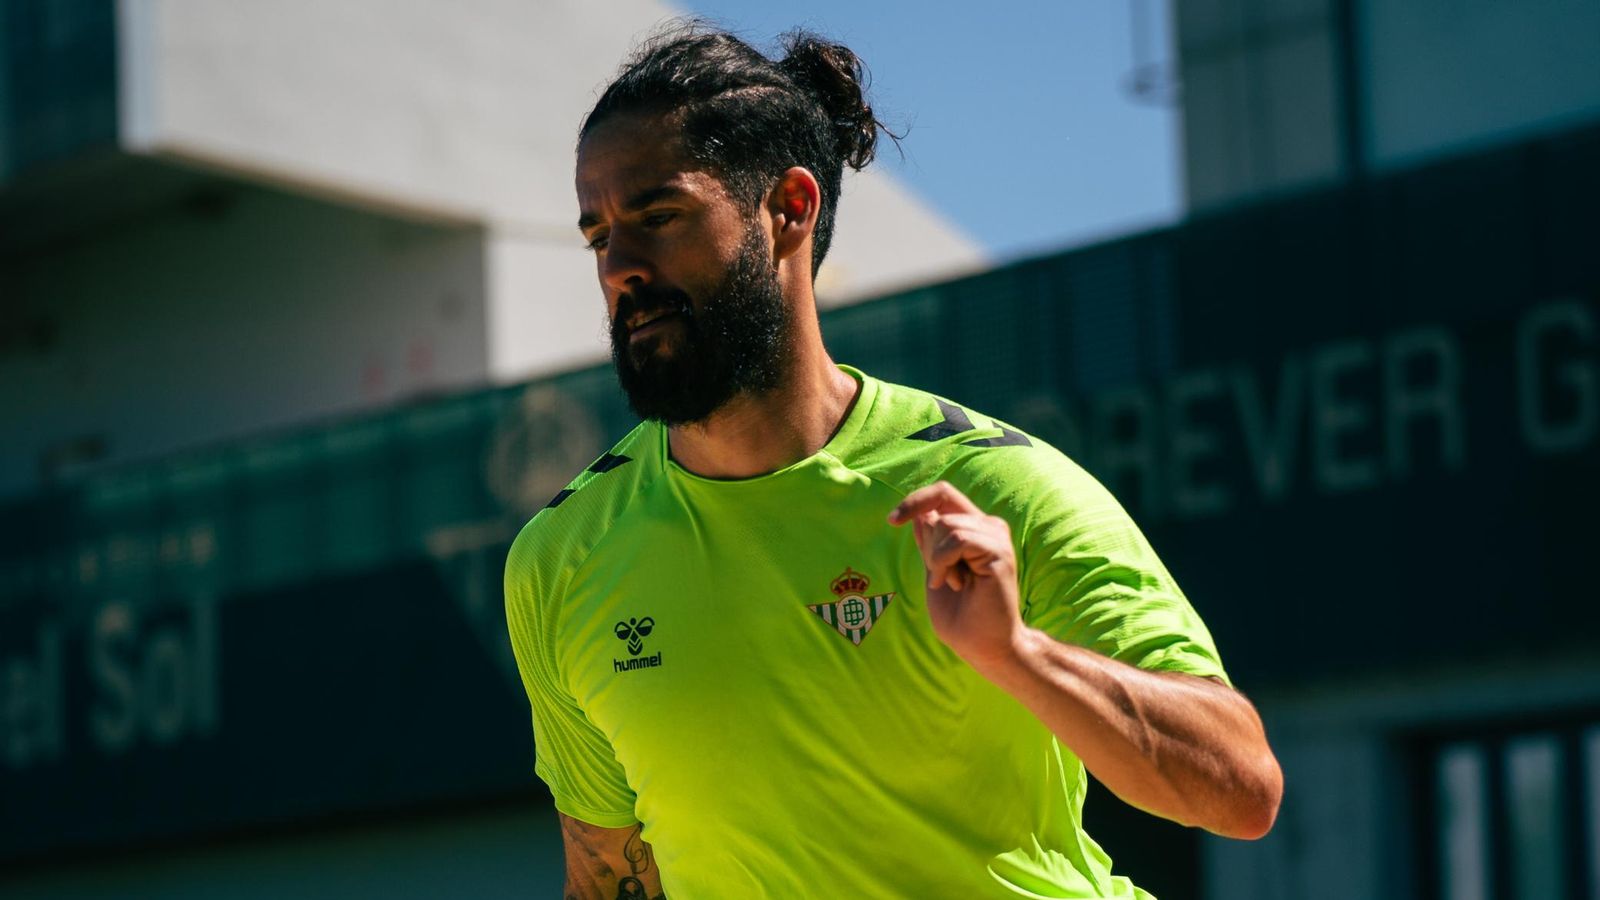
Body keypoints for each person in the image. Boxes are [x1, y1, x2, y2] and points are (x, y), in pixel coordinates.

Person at [504, 23, 1282, 899]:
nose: (622, 268)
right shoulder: (563, 556)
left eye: (658, 217)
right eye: (599, 235)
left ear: (787, 209)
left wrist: (1018, 653)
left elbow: (1241, 786)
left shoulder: (994, 488)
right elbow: (609, 876)